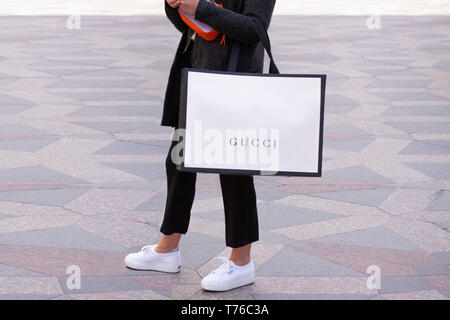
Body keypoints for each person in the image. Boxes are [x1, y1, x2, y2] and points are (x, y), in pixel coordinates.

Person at [125, 0, 276, 292]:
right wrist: (175, 6)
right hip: (197, 76)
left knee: (234, 171)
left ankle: (241, 262)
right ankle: (168, 248)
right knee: (178, 162)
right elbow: (191, 25)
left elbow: (254, 29)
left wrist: (201, 7)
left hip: (233, 81)